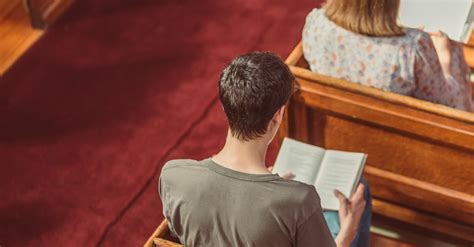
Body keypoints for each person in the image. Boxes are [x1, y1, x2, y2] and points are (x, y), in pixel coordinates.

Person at [159, 52, 372, 247]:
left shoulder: (173, 175)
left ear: (225, 106)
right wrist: (348, 231)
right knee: (356, 194)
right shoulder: (299, 201)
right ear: (278, 115)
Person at [302, 0, 473, 112]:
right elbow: (455, 107)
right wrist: (444, 57)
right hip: (405, 145)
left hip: (334, 125)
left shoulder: (315, 23)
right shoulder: (411, 50)